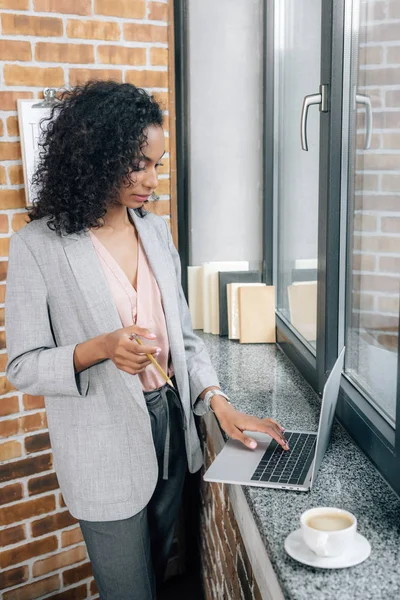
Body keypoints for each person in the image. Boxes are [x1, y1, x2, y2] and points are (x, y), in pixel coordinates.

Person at [5, 81, 288, 600]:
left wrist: (217, 400)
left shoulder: (155, 232)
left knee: (158, 572)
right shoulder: (37, 245)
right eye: (139, 163)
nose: (151, 180)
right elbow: (21, 365)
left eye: (157, 164)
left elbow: (184, 338)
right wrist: (99, 348)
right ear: (97, 153)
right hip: (101, 449)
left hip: (169, 427)